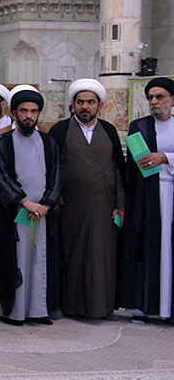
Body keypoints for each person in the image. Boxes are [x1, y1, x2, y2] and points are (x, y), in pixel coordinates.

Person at [46, 79, 124, 319]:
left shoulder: (109, 131)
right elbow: (51, 169)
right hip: (70, 208)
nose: (85, 107)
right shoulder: (60, 130)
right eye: (80, 102)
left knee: (102, 258)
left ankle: (101, 307)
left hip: (104, 207)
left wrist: (120, 205)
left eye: (90, 102)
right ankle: (69, 306)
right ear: (73, 104)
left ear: (99, 105)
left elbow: (119, 170)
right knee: (72, 256)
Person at [0, 88, 60, 325]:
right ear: (14, 113)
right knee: (17, 259)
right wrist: (25, 202)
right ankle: (15, 311)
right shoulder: (3, 142)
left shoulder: (49, 142)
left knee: (39, 260)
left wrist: (45, 204)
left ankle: (38, 310)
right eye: (24, 111)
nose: (29, 116)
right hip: (16, 212)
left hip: (42, 214)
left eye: (33, 111)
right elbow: (1, 177)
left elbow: (56, 176)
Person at [120, 76, 174, 322]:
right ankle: (143, 306)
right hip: (147, 198)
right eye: (150, 97)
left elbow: (160, 158)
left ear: (172, 100)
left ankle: (168, 309)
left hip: (171, 194)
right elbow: (135, 167)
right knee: (146, 248)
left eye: (159, 96)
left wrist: (165, 158)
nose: (154, 101)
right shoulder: (139, 126)